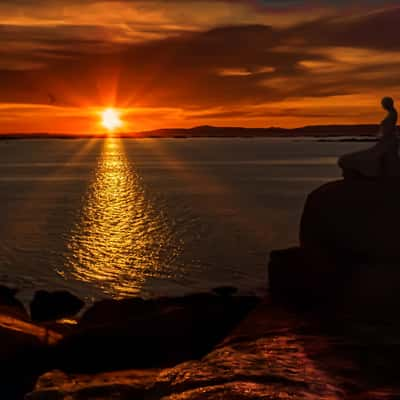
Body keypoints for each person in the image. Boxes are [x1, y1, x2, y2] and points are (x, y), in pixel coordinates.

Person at [338, 97, 400, 178]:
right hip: (386, 140)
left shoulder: (393, 114)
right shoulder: (392, 114)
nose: (382, 105)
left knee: (372, 155)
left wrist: (385, 134)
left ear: (387, 104)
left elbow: (389, 128)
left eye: (383, 103)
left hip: (388, 141)